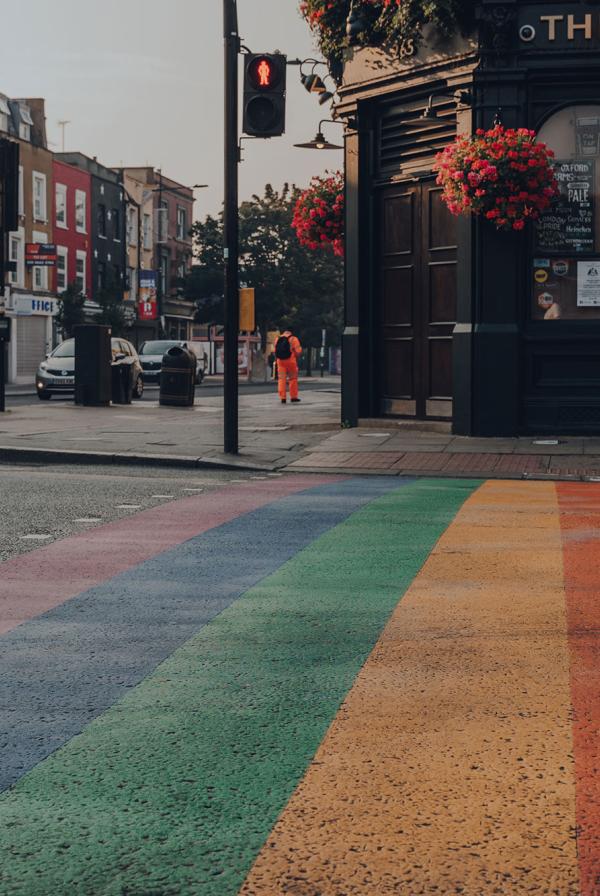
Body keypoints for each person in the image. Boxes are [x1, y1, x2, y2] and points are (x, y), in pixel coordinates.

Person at [275, 326, 302, 404]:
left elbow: (276, 350)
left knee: (281, 379)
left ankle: (283, 398)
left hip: (280, 362)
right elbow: (298, 351)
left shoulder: (278, 339)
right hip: (291, 362)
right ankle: (293, 397)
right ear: (291, 331)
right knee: (293, 379)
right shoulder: (293, 339)